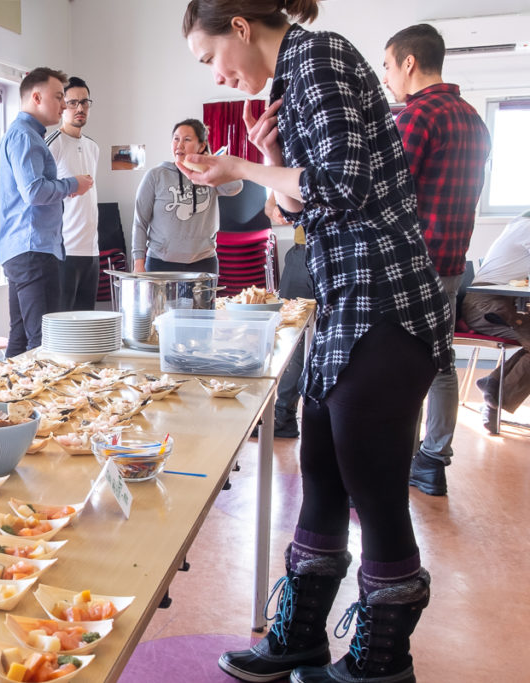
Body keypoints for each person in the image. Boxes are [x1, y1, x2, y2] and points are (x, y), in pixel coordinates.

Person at [181, 2, 452, 682]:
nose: (216, 74)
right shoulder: (297, 74)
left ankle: (382, 662)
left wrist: (243, 167)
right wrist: (272, 158)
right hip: (347, 302)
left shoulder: (320, 57)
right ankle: (300, 637)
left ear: (240, 26)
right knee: (323, 477)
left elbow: (345, 183)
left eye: (210, 56)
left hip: (383, 300)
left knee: (375, 488)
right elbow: (307, 201)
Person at [382, 23, 492, 497]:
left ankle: (395, 457)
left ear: (409, 63)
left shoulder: (416, 117)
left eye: (387, 66)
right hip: (452, 263)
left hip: (408, 268)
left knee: (396, 366)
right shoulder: (474, 119)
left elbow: (387, 197)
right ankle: (433, 462)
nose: (386, 77)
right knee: (442, 365)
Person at [0, 67, 94, 357]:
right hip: (33, 249)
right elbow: (34, 191)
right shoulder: (26, 137)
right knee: (44, 343)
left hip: (22, 249)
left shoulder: (22, 134)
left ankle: (12, 400)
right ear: (36, 97)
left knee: (20, 337)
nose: (64, 104)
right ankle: (38, 404)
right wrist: (72, 184)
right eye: (59, 97)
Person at [131, 118, 242, 274]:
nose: (179, 145)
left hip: (204, 262)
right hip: (160, 262)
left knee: (206, 300)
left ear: (202, 146)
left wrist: (209, 163)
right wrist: (138, 264)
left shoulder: (209, 175)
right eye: (176, 139)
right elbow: (140, 222)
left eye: (187, 140)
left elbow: (235, 187)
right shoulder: (156, 176)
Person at [463, 210, 530, 432]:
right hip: (485, 305)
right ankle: (495, 394)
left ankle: (494, 388)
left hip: (500, 303)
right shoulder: (526, 228)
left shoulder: (519, 223)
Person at [47, 76, 101, 312]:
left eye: (85, 102)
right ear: (62, 106)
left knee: (86, 324)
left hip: (91, 251)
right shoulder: (52, 145)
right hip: (63, 251)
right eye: (73, 103)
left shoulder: (93, 147)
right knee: (61, 326)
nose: (80, 108)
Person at [269, 193, 312, 438]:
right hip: (302, 252)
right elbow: (270, 203)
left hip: (343, 251)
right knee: (291, 335)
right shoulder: (294, 157)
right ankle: (283, 415)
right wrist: (274, 207)